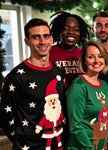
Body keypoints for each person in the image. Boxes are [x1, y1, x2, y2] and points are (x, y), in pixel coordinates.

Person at [0, 18, 65, 150]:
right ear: (27, 41)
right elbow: (5, 116)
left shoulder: (59, 71)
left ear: (51, 39)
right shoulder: (16, 77)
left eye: (46, 36)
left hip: (57, 144)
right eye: (36, 37)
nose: (42, 42)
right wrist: (20, 141)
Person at [66, 41, 108, 150]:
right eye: (91, 57)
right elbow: (76, 126)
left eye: (100, 56)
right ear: (84, 60)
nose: (97, 61)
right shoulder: (78, 86)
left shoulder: (104, 85)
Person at [49, 11, 90, 89]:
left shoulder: (84, 54)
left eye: (76, 29)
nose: (71, 32)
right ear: (59, 30)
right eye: (65, 28)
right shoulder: (49, 52)